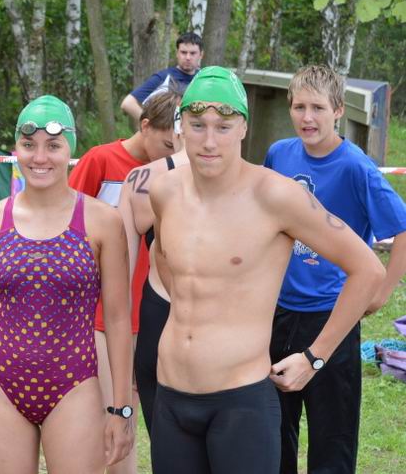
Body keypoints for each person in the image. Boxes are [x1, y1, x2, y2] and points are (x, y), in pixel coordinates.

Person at [147, 66, 386, 473]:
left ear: (243, 127)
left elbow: (368, 270)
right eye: (198, 125)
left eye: (223, 127)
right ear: (181, 126)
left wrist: (314, 358)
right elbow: (169, 265)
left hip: (239, 402)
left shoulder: (276, 196)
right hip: (171, 397)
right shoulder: (164, 191)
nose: (209, 141)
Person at [0, 95, 135, 473]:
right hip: (1, 385)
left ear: (70, 149)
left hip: (75, 384)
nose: (40, 157)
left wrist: (121, 408)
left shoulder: (102, 221)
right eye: (28, 145)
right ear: (16, 148)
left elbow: (118, 319)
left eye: (53, 146)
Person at [264, 64, 406, 474]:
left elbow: (402, 229)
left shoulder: (356, 167)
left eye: (318, 108)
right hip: (277, 312)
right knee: (274, 432)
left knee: (333, 438)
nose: (307, 117)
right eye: (299, 107)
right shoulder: (279, 154)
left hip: (332, 317)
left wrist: (381, 293)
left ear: (338, 110)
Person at [68, 88, 181, 474]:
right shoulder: (100, 160)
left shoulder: (179, 172)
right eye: (168, 145)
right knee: (103, 416)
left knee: (128, 418)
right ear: (145, 126)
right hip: (100, 314)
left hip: (152, 312)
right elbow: (66, 221)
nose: (172, 154)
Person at [117, 98, 188, 436]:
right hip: (163, 321)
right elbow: (119, 283)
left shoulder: (139, 180)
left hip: (161, 321)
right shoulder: (140, 180)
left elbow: (120, 284)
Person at [120, 32, 203, 122]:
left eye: (192, 53)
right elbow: (128, 103)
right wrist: (150, 126)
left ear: (201, 55)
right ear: (177, 53)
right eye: (183, 52)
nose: (188, 57)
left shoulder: (205, 79)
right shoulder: (164, 77)